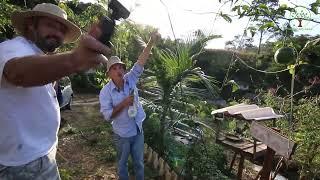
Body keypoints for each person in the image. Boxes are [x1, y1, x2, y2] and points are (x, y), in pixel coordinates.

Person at [0, 3, 111, 179]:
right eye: (50, 25)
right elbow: (15, 72)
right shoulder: (12, 48)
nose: (58, 34)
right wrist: (73, 60)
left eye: (62, 30)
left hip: (41, 157)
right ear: (31, 24)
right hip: (22, 166)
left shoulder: (37, 55)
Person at [99, 32, 160, 180]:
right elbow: (108, 116)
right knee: (122, 165)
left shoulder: (130, 79)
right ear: (109, 74)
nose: (119, 70)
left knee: (139, 163)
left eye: (121, 67)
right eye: (114, 68)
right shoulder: (105, 92)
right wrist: (123, 104)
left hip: (138, 130)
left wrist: (151, 42)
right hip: (122, 135)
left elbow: (141, 61)